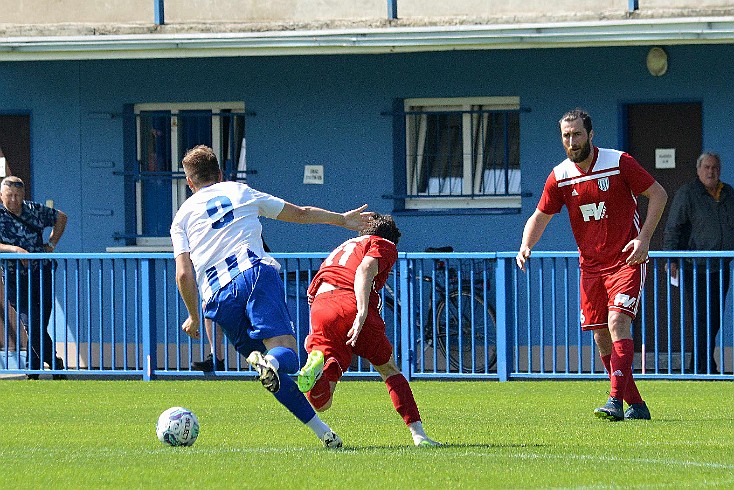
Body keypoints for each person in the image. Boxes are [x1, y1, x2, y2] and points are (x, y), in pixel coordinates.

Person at [171, 144, 370, 448]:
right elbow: (300, 213)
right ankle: (275, 365)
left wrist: (194, 316)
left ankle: (325, 435)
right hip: (254, 273)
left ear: (189, 182)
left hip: (218, 298)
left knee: (270, 371)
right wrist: (342, 220)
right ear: (220, 173)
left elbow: (184, 273)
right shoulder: (240, 191)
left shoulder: (182, 217)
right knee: (284, 356)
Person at [516, 109, 667, 421]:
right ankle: (636, 405)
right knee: (600, 335)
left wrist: (645, 239)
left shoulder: (618, 162)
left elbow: (658, 194)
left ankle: (614, 401)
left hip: (627, 260)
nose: (572, 141)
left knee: (617, 324)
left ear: (591, 134)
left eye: (577, 134)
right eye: (566, 136)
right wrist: (526, 245)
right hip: (591, 268)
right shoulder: (560, 176)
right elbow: (541, 215)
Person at [296, 214, 441, 446]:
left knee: (322, 404)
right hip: (351, 302)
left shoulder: (343, 246)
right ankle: (419, 435)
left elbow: (313, 291)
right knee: (389, 369)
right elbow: (365, 270)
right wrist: (362, 311)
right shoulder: (384, 244)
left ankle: (322, 367)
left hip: (321, 307)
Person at [663, 152, 734, 374]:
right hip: (696, 267)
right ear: (698, 170)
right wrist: (671, 257)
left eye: (715, 167)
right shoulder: (688, 194)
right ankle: (700, 368)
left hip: (720, 267)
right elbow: (673, 227)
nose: (711, 171)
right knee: (701, 320)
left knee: (714, 320)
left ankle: (704, 366)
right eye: (707, 167)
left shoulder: (728, 193)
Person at [0, 176, 68, 379]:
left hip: (41, 273)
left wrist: (51, 244)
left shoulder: (34, 209)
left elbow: (61, 217)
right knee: (31, 322)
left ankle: (33, 368)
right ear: (1, 195)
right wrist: (15, 250)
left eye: (17, 196)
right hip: (15, 278)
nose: (13, 200)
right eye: (9, 195)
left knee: (40, 323)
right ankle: (55, 364)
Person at [191, 237, 271, 372]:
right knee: (209, 305)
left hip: (252, 277)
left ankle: (268, 361)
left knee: (258, 317)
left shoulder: (246, 229)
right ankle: (215, 358)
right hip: (226, 279)